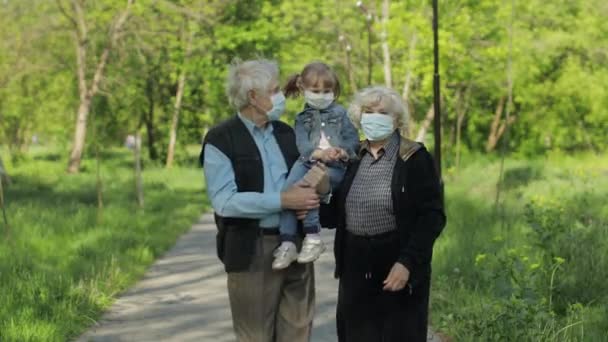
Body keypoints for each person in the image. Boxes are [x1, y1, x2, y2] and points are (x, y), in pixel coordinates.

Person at [200, 59, 322, 342]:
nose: (281, 96)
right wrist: (283, 200)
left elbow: (306, 179)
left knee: (299, 331)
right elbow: (224, 201)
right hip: (251, 248)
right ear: (253, 97)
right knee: (255, 336)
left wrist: (314, 192)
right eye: (274, 89)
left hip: (297, 244)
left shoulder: (286, 133)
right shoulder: (220, 138)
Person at [331, 86, 446, 341]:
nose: (374, 117)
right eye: (368, 111)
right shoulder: (352, 157)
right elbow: (332, 216)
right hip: (355, 265)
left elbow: (433, 216)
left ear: (396, 120)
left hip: (397, 261)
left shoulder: (414, 158)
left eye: (382, 112)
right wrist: (321, 191)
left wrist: (407, 262)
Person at [272, 62, 359, 270]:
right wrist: (318, 153)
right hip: (308, 161)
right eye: (316, 91)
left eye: (327, 91)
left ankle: (313, 237)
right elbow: (303, 145)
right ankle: (288, 242)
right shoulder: (302, 118)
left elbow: (353, 140)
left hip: (334, 167)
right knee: (287, 192)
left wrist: (342, 152)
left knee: (308, 187)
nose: (322, 95)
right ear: (303, 90)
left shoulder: (342, 114)